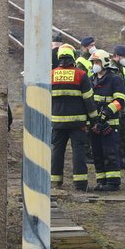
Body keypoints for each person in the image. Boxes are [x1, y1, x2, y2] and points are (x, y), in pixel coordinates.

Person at [50, 45, 98, 190]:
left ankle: (55, 182)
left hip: (57, 122)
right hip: (77, 122)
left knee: (57, 151)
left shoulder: (51, 75)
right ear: (73, 57)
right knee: (78, 151)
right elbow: (89, 100)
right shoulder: (81, 75)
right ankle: (80, 184)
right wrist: (94, 120)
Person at [88, 49, 125, 192]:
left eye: (97, 62)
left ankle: (113, 183)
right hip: (95, 125)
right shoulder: (92, 79)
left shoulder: (114, 79)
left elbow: (120, 100)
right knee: (97, 154)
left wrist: (106, 113)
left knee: (110, 153)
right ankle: (101, 181)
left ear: (104, 63)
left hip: (110, 124)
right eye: (93, 62)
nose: (94, 65)